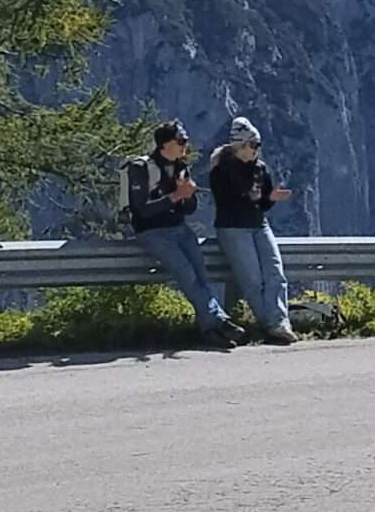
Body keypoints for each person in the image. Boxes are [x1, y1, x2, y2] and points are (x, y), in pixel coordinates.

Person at [124, 121, 238, 349]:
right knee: (186, 273)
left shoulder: (181, 166)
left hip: (180, 228)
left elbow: (189, 209)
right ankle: (221, 321)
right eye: (181, 141)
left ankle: (211, 329)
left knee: (200, 275)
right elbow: (141, 210)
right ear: (166, 144)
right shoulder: (140, 168)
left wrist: (187, 196)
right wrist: (176, 196)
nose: (186, 146)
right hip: (152, 232)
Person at [207, 117, 297, 345]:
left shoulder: (260, 168)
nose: (258, 150)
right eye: (254, 145)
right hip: (233, 228)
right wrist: (259, 198)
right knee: (252, 279)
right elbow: (226, 203)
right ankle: (271, 325)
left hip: (259, 224)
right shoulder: (221, 170)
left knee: (275, 271)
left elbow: (263, 203)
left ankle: (279, 322)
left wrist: (271, 199)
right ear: (241, 146)